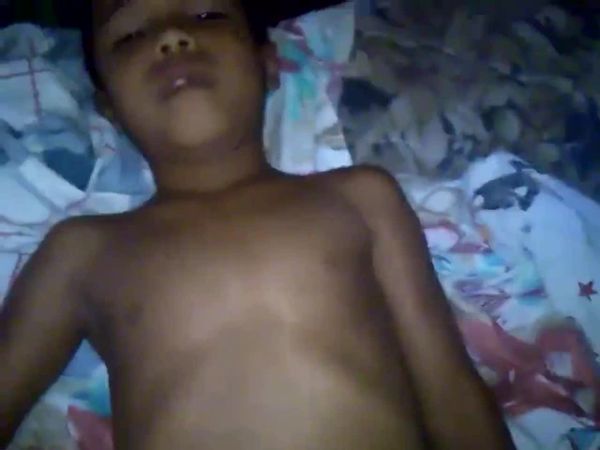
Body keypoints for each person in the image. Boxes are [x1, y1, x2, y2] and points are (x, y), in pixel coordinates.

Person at [0, 1, 516, 449]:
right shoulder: (82, 250)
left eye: (207, 14)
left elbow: (449, 388)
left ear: (267, 64)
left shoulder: (361, 198)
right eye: (131, 34)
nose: (172, 36)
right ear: (109, 107)